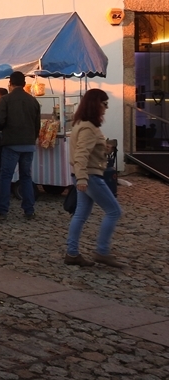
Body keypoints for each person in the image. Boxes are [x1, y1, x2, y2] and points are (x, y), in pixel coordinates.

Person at [66, 89, 124, 268]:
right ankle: (102, 251)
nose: (106, 108)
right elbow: (81, 154)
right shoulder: (88, 128)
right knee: (114, 211)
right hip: (90, 176)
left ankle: (72, 253)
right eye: (104, 104)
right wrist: (83, 178)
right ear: (96, 104)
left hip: (84, 174)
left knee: (81, 214)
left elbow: (85, 151)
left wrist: (102, 149)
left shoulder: (82, 124)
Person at [0, 71, 41, 222]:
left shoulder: (6, 99)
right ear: (25, 84)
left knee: (5, 177)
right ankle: (29, 210)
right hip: (28, 144)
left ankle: (2, 210)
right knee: (26, 177)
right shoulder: (33, 101)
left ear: (10, 84)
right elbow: (37, 125)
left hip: (11, 143)